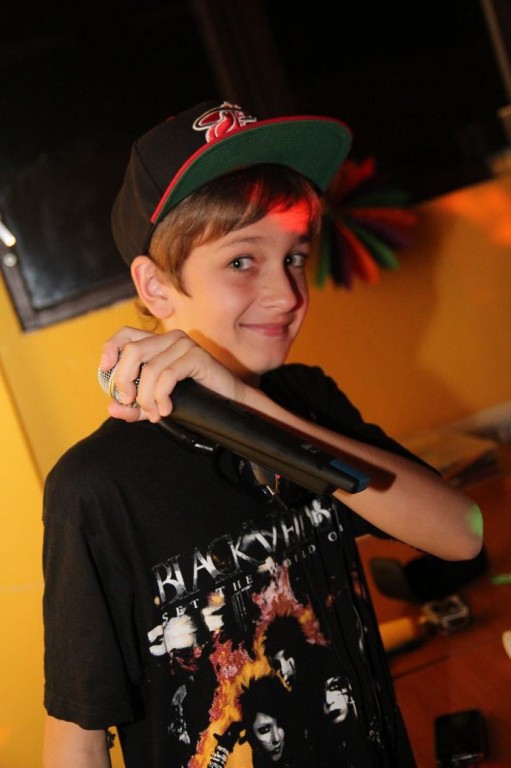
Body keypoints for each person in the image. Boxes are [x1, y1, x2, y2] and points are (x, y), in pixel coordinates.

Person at [42, 99, 484, 768]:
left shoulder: (307, 401)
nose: (287, 294)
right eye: (242, 261)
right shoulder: (96, 487)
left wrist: (248, 405)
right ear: (155, 287)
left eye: (295, 256)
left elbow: (461, 532)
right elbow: (75, 737)